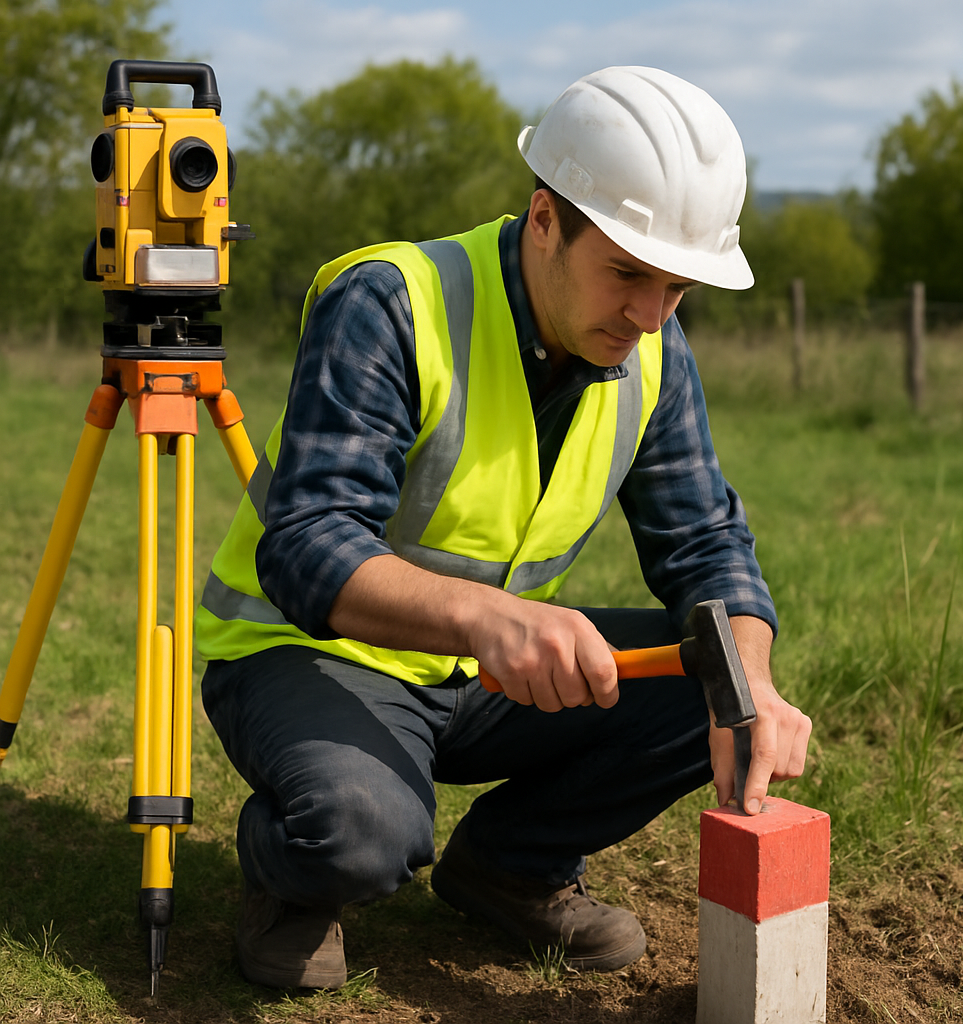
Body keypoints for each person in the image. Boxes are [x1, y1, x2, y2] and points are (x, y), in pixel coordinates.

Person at [195, 65, 813, 989]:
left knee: (715, 674)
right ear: (543, 219)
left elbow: (705, 544)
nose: (650, 316)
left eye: (678, 289)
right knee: (362, 835)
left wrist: (750, 682)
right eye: (628, 275)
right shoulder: (393, 302)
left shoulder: (653, 352)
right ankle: (293, 878)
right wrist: (488, 619)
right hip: (305, 654)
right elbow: (309, 541)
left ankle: (510, 870)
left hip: (484, 675)